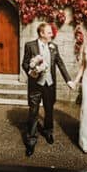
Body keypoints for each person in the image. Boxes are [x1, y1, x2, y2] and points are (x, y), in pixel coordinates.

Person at [21, 22, 72, 156]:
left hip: (49, 85)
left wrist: (68, 80)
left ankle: (48, 131)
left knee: (49, 110)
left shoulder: (53, 46)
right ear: (42, 33)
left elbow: (60, 63)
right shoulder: (30, 45)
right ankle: (31, 141)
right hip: (35, 85)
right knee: (33, 112)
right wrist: (30, 71)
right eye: (49, 32)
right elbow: (25, 63)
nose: (52, 34)